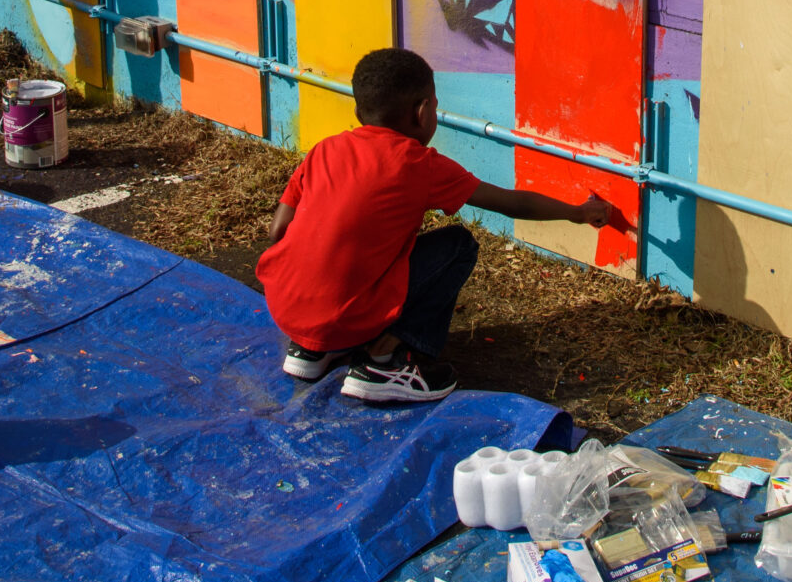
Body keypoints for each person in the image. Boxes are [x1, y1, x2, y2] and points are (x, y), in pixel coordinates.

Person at [258, 47, 627, 405]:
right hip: (345, 315)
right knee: (458, 246)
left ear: (359, 110)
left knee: (346, 264)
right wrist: (578, 213)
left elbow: (278, 231)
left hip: (286, 309)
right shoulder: (418, 165)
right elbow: (512, 203)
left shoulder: (325, 149)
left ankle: (309, 350)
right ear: (423, 112)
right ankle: (383, 362)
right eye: (434, 106)